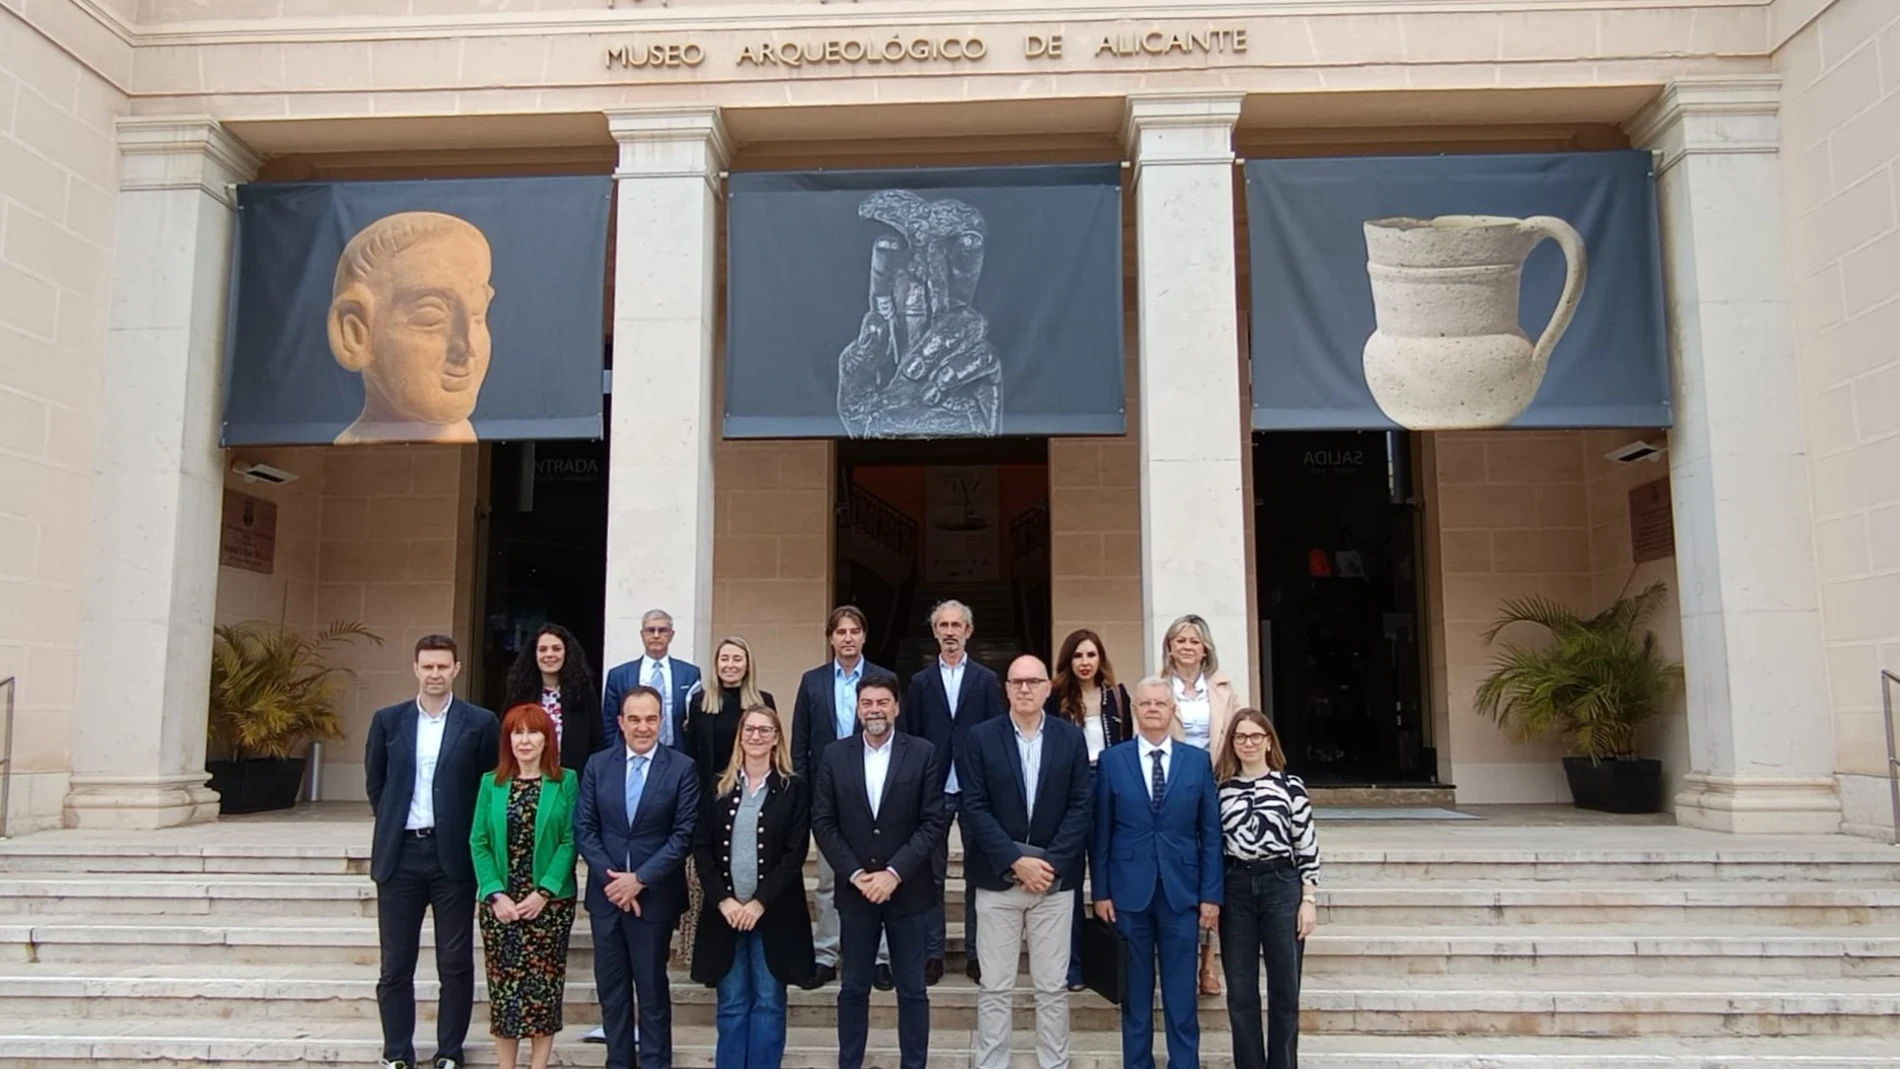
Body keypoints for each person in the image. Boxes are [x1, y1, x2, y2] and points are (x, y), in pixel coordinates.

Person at [365, 634, 501, 1069]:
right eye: (428, 666)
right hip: (400, 854)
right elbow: (377, 784)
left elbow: (489, 789)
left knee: (455, 962)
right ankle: (397, 1053)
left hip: (453, 858)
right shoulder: (388, 721)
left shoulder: (479, 722)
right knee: (395, 965)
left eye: (443, 666)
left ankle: (448, 1051)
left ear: (457, 669)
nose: (435, 674)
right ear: (416, 669)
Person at [959, 655, 1093, 1069]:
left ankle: (1054, 1063)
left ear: (1047, 689)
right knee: (995, 987)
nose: (1025, 689)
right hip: (998, 880)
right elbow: (974, 807)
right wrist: (1016, 861)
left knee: (1052, 988)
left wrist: (1047, 864)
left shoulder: (1070, 739)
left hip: (1054, 883)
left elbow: (1081, 804)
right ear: (1006, 688)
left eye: (1033, 681)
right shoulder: (980, 738)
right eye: (1017, 682)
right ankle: (991, 1063)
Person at [811, 671, 948, 1069]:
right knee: (853, 988)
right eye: (867, 703)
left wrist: (894, 873)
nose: (875, 709)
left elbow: (933, 821)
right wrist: (855, 874)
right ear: (857, 709)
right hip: (856, 893)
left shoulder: (922, 753)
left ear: (896, 707)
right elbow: (823, 821)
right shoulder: (835, 755)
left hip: (908, 892)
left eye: (882, 702)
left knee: (912, 990)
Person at [1092, 677, 1223, 1069]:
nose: (1152, 709)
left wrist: (1211, 895)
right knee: (1135, 995)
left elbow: (1211, 833)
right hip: (1128, 893)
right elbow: (1100, 831)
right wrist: (1100, 892)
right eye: (1145, 703)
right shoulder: (1113, 761)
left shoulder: (1196, 762)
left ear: (1173, 710)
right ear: (1135, 711)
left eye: (1160, 703)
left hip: (1181, 894)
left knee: (1181, 996)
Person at [575, 686, 700, 1069]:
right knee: (612, 991)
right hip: (607, 896)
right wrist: (614, 881)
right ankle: (618, 1062)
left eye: (650, 719)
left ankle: (655, 1062)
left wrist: (640, 879)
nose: (642, 727)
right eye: (634, 719)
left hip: (655, 897)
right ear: (620, 722)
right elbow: (585, 827)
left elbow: (684, 834)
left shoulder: (682, 768)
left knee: (651, 989)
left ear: (661, 722)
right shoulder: (598, 765)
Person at [690, 704, 815, 1069]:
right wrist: (725, 902)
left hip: (773, 914)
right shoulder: (717, 786)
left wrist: (758, 903)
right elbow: (702, 847)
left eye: (765, 730)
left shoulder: (793, 787)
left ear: (776, 739)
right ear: (739, 736)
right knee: (731, 1002)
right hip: (725, 916)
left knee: (768, 1000)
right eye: (750, 729)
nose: (756, 736)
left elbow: (795, 853)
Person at [470, 703, 580, 1069]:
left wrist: (544, 892)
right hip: (501, 907)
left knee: (542, 993)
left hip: (548, 907)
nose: (525, 740)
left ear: (547, 739)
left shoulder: (566, 780)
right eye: (517, 733)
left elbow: (569, 840)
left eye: (533, 732)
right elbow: (478, 841)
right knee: (505, 995)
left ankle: (539, 1066)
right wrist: (495, 893)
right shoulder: (492, 783)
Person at [900, 599, 1004, 983]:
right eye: (942, 625)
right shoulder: (921, 683)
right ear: (934, 632)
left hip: (976, 789)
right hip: (934, 789)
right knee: (931, 875)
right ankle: (933, 953)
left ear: (968, 631)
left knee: (979, 875)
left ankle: (979, 953)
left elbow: (997, 735)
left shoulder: (987, 680)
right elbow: (910, 736)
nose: (949, 632)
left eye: (956, 625)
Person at [328, 211, 494, 445]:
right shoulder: (357, 452)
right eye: (430, 317)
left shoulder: (463, 438)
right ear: (355, 332)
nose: (466, 347)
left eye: (477, 313)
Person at [789, 605, 889, 988]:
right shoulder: (812, 682)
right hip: (827, 797)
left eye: (854, 631)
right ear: (830, 637)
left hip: (876, 795)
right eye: (840, 632)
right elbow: (800, 743)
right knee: (830, 881)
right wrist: (804, 795)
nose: (847, 638)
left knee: (878, 875)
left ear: (864, 636)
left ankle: (880, 957)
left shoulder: (884, 679)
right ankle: (827, 953)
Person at [1215, 709, 1319, 1069]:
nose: (1248, 743)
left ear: (1269, 741)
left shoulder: (1291, 786)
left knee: (1285, 989)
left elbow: (1306, 845)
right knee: (1241, 991)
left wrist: (1309, 899)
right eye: (1240, 737)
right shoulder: (1220, 787)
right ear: (1232, 743)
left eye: (1255, 736)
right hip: (1236, 886)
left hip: (1282, 886)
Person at [678, 635, 775, 983]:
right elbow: (692, 756)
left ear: (748, 664)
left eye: (738, 659)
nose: (731, 665)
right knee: (707, 883)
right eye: (724, 659)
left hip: (753, 799)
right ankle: (706, 959)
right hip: (710, 802)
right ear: (715, 665)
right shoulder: (701, 703)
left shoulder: (762, 702)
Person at [1160, 613, 1241, 996]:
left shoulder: (1222, 688)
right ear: (1170, 647)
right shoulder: (1158, 687)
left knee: (1212, 870)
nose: (1187, 647)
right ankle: (1180, 957)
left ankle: (1209, 962)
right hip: (1171, 786)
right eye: (1180, 640)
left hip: (1216, 783)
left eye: (1194, 641)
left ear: (1205, 647)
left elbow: (1239, 734)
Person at [1047, 628, 1132, 990]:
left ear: (1100, 659)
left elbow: (1127, 744)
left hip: (1110, 784)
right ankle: (1074, 965)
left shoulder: (1117, 696)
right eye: (1078, 656)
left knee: (1108, 875)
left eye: (1091, 655)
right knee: (1068, 878)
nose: (1085, 663)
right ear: (1069, 661)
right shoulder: (1055, 698)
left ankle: (1111, 960)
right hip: (1071, 788)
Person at [502, 622, 605, 772]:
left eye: (556, 649)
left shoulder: (582, 693)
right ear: (534, 654)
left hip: (572, 782)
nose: (549, 655)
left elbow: (597, 743)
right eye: (542, 650)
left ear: (567, 653)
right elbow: (505, 736)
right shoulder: (519, 692)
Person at [601, 609, 701, 751]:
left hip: (677, 752)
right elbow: (609, 722)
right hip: (631, 752)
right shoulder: (619, 675)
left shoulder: (689, 673)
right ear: (642, 635)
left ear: (671, 635)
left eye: (662, 630)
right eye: (650, 630)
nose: (656, 635)